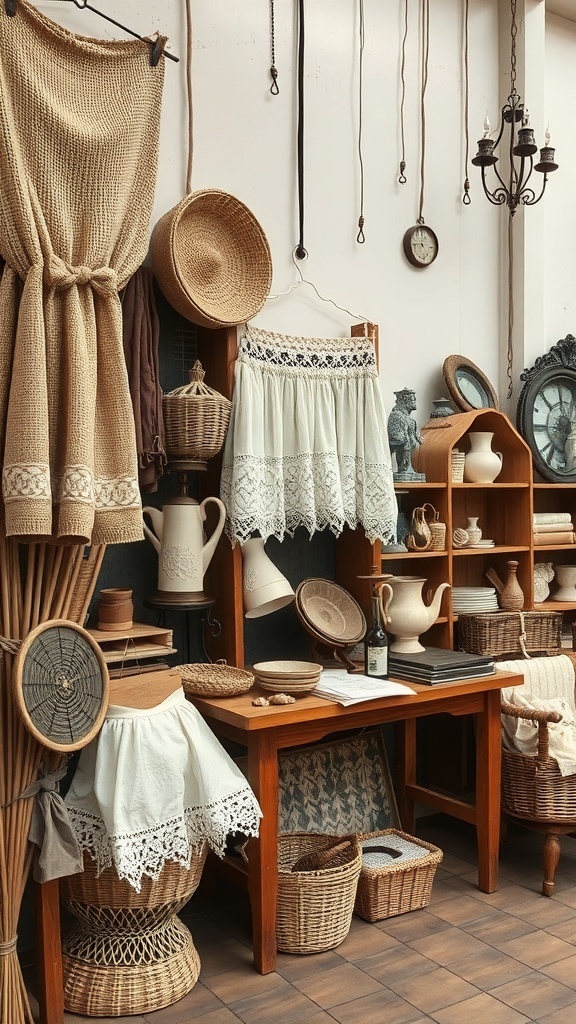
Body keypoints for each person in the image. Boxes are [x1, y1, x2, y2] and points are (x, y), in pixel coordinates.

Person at [387, 388, 423, 477]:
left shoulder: (408, 418)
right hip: (401, 451)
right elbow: (397, 439)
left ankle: (406, 467)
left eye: (414, 399)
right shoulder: (396, 416)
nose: (414, 402)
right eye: (412, 399)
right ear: (404, 401)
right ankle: (404, 467)